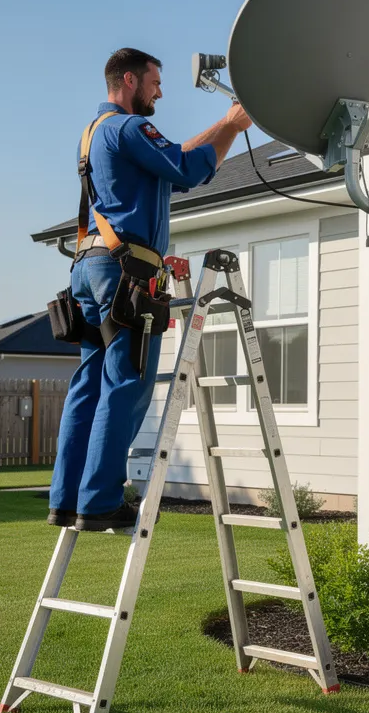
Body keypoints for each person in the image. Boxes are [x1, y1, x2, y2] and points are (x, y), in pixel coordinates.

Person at [48, 47, 252, 532]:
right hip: (126, 273)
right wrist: (235, 126)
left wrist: (222, 124)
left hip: (90, 268)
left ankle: (66, 499)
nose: (161, 91)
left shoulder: (95, 134)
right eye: (155, 82)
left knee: (88, 386)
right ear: (129, 81)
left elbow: (175, 157)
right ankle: (98, 503)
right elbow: (188, 171)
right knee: (127, 384)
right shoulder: (131, 128)